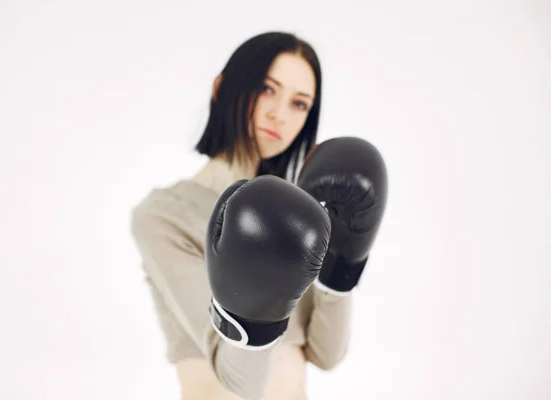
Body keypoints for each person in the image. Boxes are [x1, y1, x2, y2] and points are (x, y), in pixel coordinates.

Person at [130, 31, 388, 400]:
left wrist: (344, 263)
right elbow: (242, 384)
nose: (278, 114)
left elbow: (326, 354)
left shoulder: (298, 219)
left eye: (299, 104)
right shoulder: (164, 216)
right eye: (267, 89)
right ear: (222, 87)